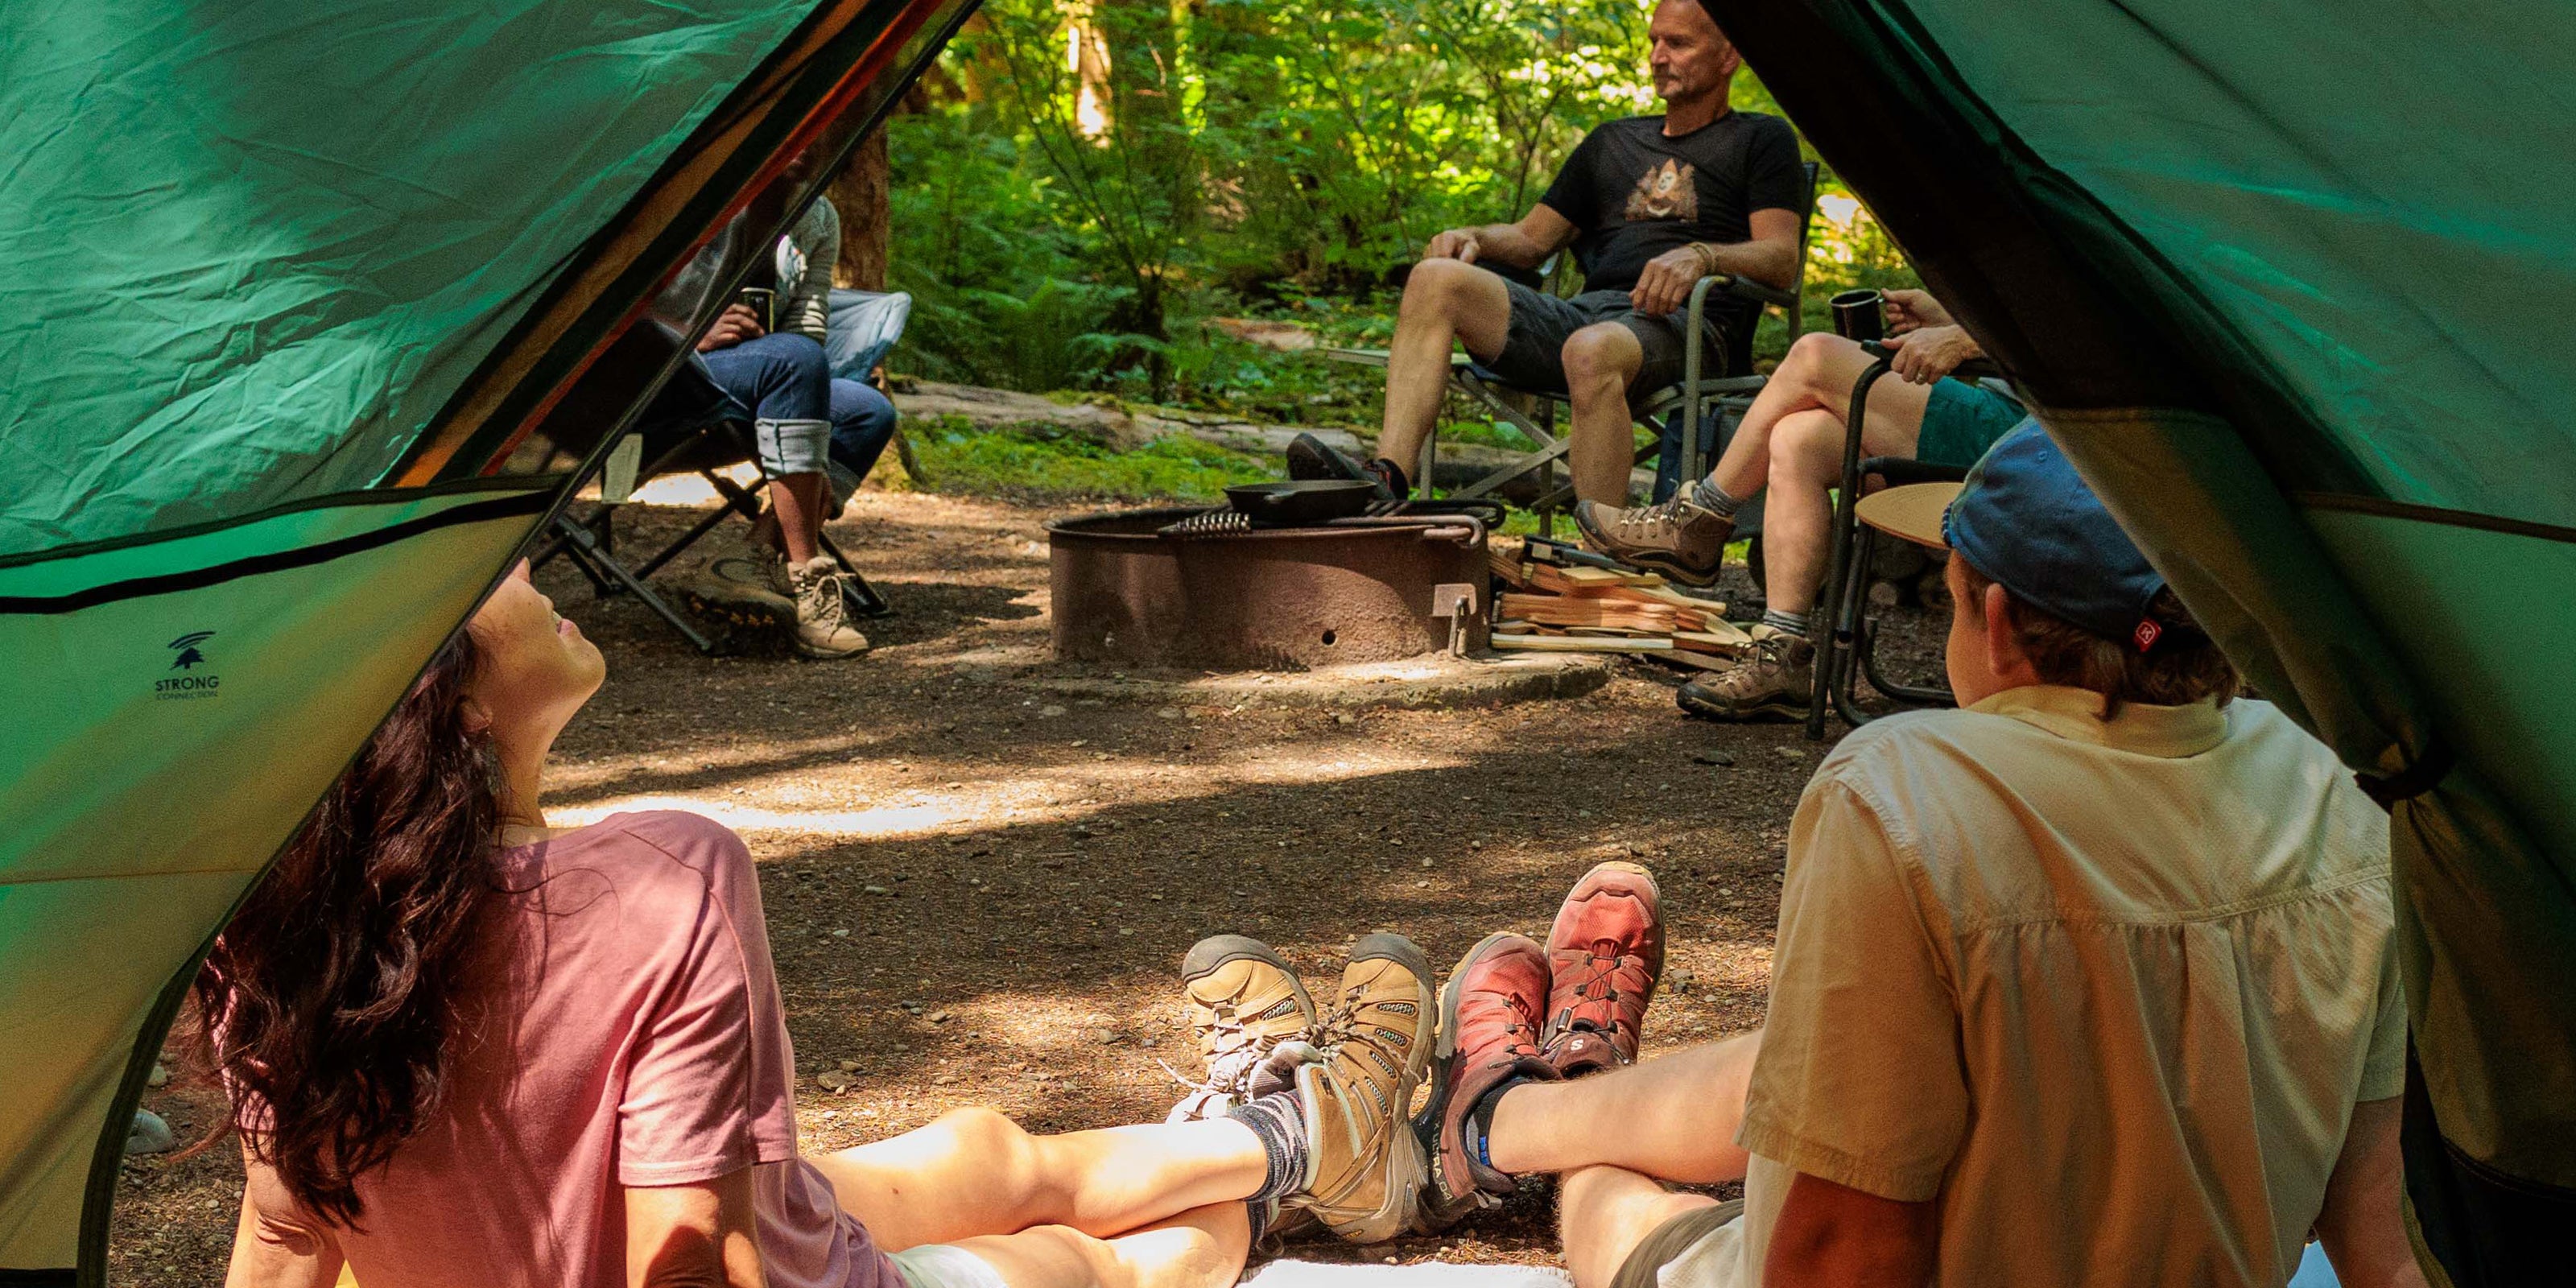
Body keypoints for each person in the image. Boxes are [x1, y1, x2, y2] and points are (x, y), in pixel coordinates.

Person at [200, 562, 1437, 1287]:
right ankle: (1294, 1169)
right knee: (1100, 1258)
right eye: (487, 577)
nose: (530, 564)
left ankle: (1305, 1124)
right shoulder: (659, 879)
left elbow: (279, 1225)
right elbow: (688, 1270)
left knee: (985, 1152)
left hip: (753, 1217)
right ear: (446, 709)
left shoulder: (272, 921)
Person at [1404, 425, 2425, 1287]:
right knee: (1817, 1060)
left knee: (1621, 1206)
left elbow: (1841, 1252)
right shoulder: (2340, 793)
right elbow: (2374, 1221)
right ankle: (1523, 1103)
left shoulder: (1910, 789)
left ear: (1989, 618)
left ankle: (1533, 1120)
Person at [1287, 0, 1803, 506]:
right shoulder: (1611, 142)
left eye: (1679, 43)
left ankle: (1603, 556)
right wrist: (1477, 237)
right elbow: (1532, 240)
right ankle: (1388, 478)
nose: (1658, 56)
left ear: (1729, 54)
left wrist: (1702, 257)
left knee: (1592, 349)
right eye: (1654, 42)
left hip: (1686, 329)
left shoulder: (1760, 139)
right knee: (1435, 278)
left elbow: (1781, 257)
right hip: (1586, 318)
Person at [1575, 287, 2024, 720]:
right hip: (2009, 416)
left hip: (2040, 437)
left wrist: (1962, 338)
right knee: (1798, 438)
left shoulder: (2077, 223)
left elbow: (2089, 332)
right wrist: (1951, 322)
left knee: (1815, 355)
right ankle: (1781, 656)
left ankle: (1698, 519)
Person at [677, 194, 898, 660]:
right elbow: (598, 301)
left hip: (756, 379)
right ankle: (808, 588)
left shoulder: (817, 215)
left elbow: (807, 327)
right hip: (661, 375)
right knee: (793, 362)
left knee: (867, 410)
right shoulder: (688, 186)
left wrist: (806, 383)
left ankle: (748, 559)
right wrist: (689, 335)